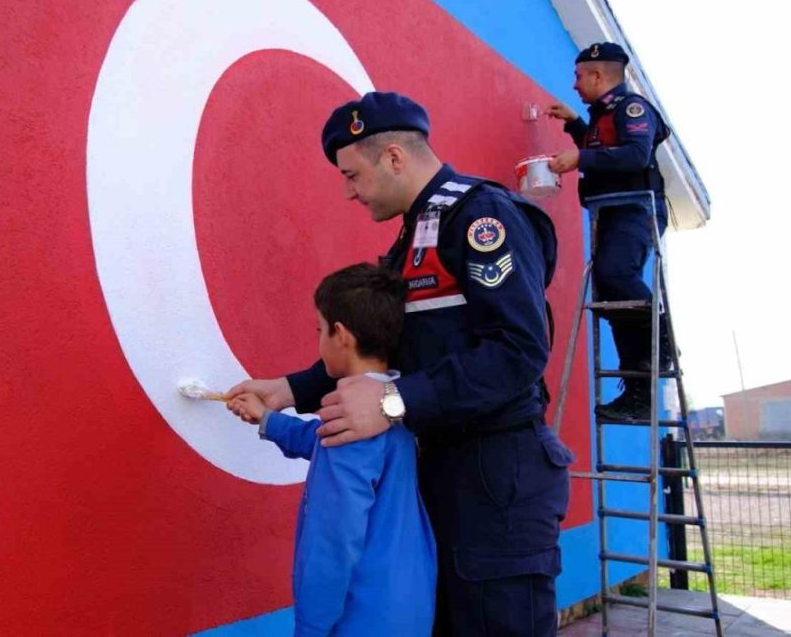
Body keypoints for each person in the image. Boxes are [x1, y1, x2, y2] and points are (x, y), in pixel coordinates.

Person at [228, 92, 573, 636]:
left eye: (352, 175)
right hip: (442, 471)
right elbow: (395, 348)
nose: (348, 192)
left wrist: (394, 402)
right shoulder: (416, 236)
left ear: (393, 156)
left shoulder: (481, 216)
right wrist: (287, 391)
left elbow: (519, 351)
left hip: (496, 477)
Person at [229, 263, 436, 636]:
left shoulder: (354, 423)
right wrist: (267, 419)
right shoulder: (390, 404)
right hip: (407, 606)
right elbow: (324, 442)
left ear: (341, 335)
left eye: (319, 329)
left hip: (358, 617)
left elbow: (333, 544)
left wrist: (311, 627)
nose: (319, 340)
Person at [546, 41, 673, 420]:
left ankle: (661, 348)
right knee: (610, 294)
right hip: (612, 213)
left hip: (637, 209)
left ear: (599, 75)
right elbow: (603, 147)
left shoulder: (632, 109)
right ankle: (638, 391)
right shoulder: (602, 115)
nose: (574, 84)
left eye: (579, 76)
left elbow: (635, 154)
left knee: (615, 275)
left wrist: (580, 157)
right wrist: (574, 126)